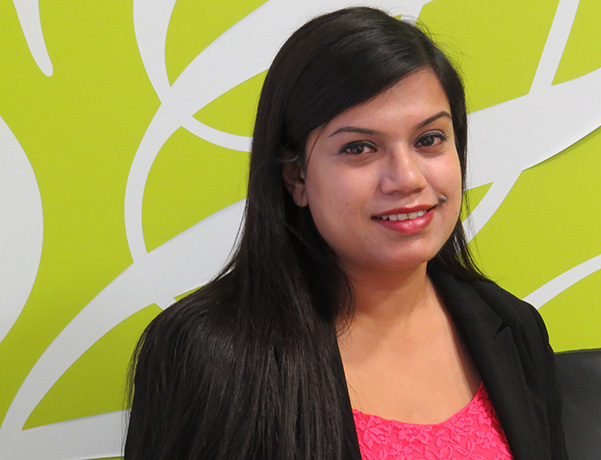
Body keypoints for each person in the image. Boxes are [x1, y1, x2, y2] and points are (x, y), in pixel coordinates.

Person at [125, 7, 567, 460]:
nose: (407, 178)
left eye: (429, 139)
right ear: (296, 176)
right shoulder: (208, 354)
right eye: (360, 148)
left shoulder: (512, 326)